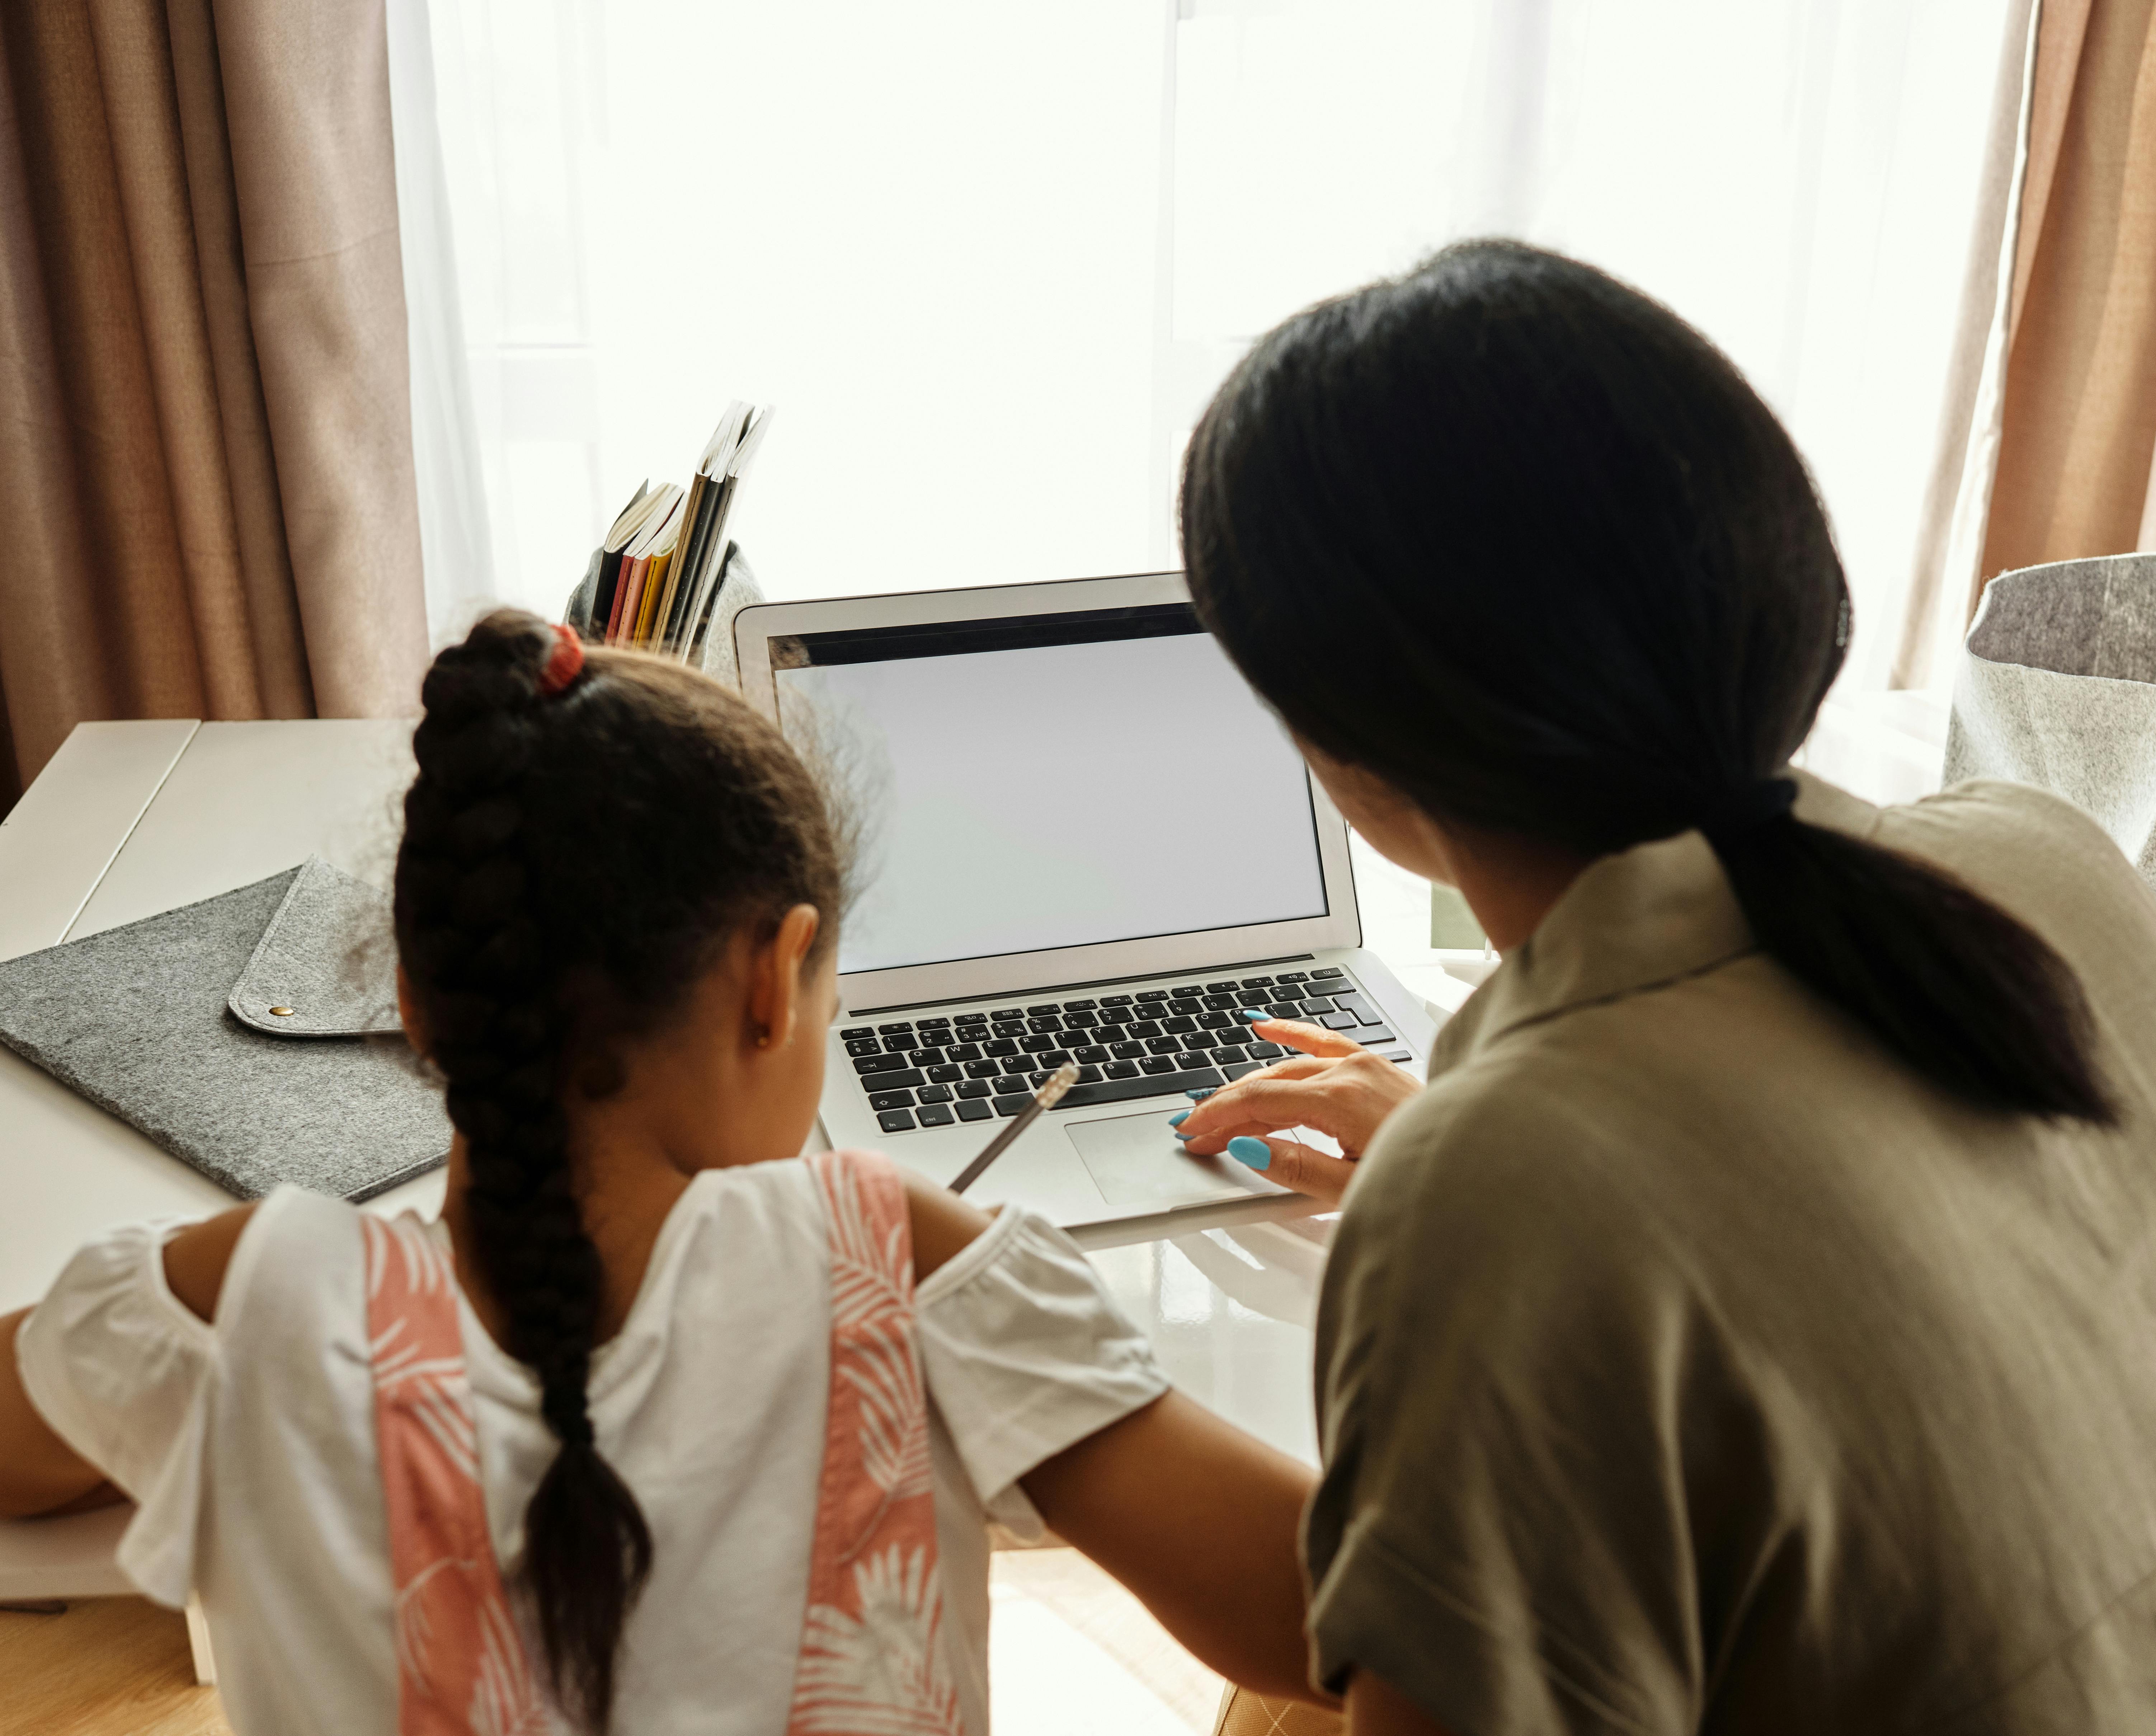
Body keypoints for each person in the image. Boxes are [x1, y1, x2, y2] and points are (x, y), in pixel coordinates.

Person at [1167, 240, 2156, 1733]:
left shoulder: (1507, 1183)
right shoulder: (2043, 867)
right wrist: (1506, 1150)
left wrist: (1019, 1345)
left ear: (1339, 748)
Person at [0, 615, 1326, 1734]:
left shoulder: (245, 1299)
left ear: (409, 1000)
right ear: (772, 982)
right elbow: (1330, 1615)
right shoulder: (896, 1264)